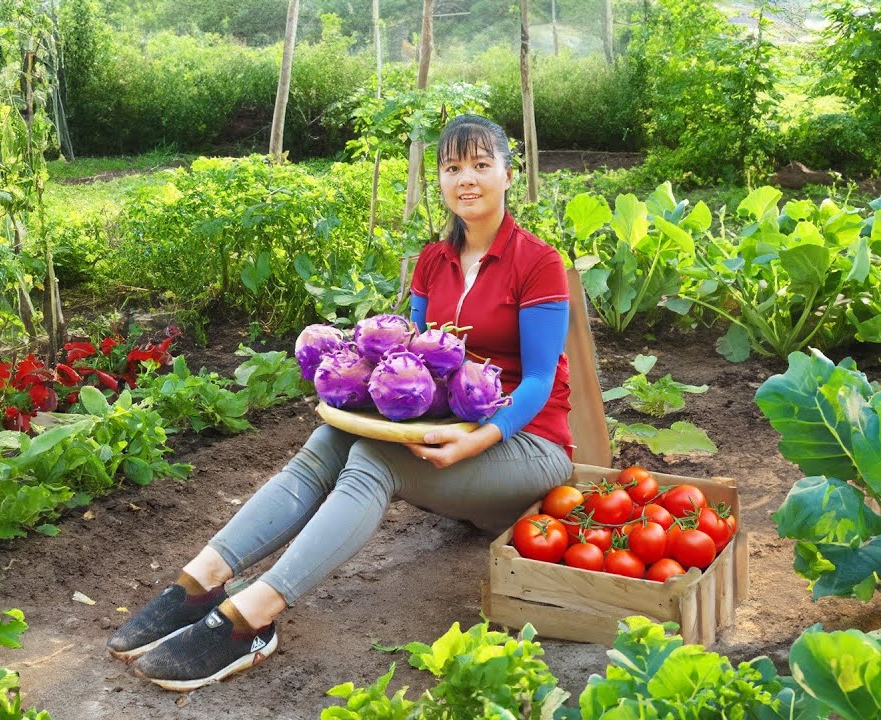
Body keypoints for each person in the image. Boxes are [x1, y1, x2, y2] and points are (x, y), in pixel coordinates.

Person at [107, 114, 575, 691]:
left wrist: (476, 438)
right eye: (453, 168)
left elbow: (539, 385)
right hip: (447, 429)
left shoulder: (539, 263)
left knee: (375, 462)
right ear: (440, 180)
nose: (467, 180)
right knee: (327, 442)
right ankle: (202, 581)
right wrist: (361, 396)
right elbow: (417, 362)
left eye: (481, 165)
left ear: (509, 173)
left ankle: (252, 618)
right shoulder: (434, 259)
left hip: (527, 447)